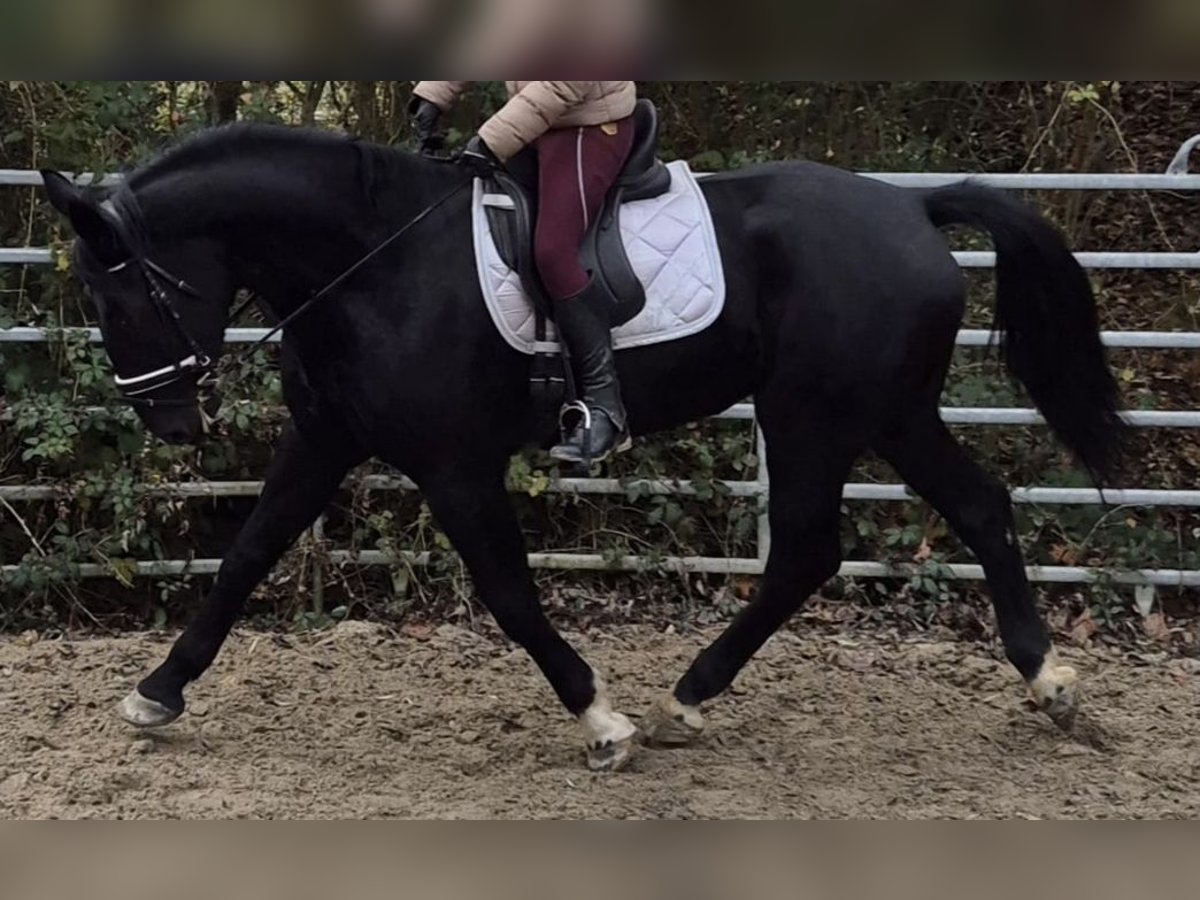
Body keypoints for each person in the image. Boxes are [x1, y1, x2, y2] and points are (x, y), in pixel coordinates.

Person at [409, 81, 637, 464]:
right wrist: (435, 93)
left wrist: (493, 139)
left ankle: (606, 407)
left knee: (552, 251)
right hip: (535, 123)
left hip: (588, 125)